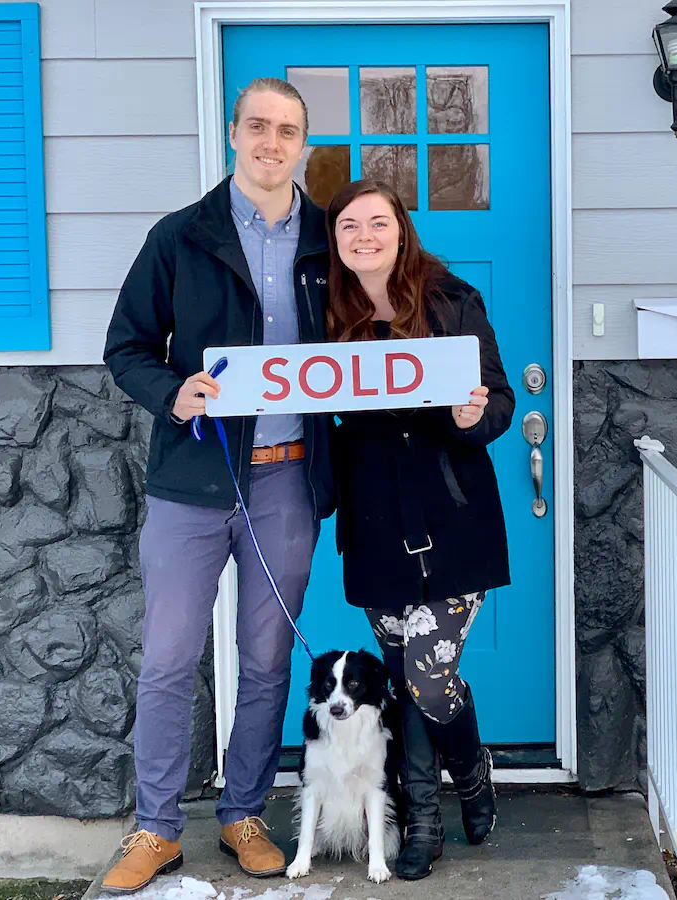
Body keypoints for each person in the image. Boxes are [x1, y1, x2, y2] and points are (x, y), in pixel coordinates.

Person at [101, 77, 335, 891]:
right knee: (168, 660)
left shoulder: (329, 239)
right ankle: (155, 828)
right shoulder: (181, 237)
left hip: (288, 481)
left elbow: (379, 333)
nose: (273, 143)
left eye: (289, 131)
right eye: (259, 127)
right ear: (234, 134)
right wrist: (174, 391)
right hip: (193, 482)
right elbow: (126, 346)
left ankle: (243, 814)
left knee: (268, 661)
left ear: (304, 143)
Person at [324, 179, 513, 880]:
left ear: (401, 230)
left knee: (430, 679)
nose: (365, 236)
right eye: (349, 226)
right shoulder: (326, 315)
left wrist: (476, 416)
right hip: (375, 523)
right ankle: (421, 822)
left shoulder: (451, 300)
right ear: (336, 241)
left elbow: (497, 397)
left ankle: (469, 778)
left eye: (378, 223)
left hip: (454, 519)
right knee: (403, 681)